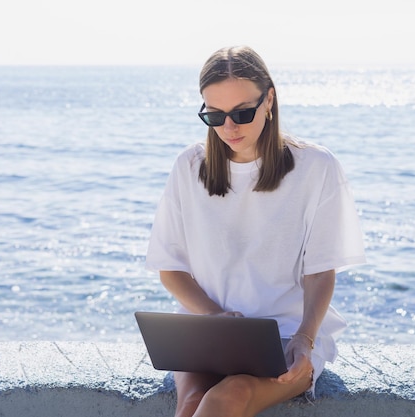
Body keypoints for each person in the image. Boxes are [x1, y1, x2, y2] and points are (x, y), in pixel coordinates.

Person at [145, 46, 365, 417]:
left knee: (226, 398)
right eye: (214, 115)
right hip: (206, 332)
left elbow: (321, 271)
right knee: (191, 404)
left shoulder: (315, 167)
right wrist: (214, 317)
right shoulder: (189, 166)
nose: (229, 127)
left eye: (243, 113)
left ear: (270, 101)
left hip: (289, 335)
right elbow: (171, 269)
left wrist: (305, 339)